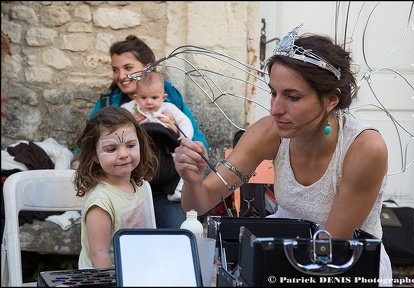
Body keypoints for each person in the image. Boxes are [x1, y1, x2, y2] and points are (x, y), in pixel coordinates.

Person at [173, 24, 392, 284]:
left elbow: (328, 251)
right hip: (280, 260)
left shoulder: (364, 148)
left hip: (346, 267)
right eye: (273, 93)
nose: (275, 108)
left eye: (293, 97)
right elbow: (198, 204)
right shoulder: (270, 132)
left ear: (331, 100)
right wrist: (192, 179)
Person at [85, 35, 208, 228]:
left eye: (128, 68)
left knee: (177, 234)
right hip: (124, 183)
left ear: (148, 67)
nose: (121, 75)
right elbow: (86, 145)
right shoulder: (109, 102)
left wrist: (176, 133)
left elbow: (199, 142)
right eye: (115, 70)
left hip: (165, 187)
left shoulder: (168, 95)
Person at [71, 106, 158, 269]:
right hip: (104, 279)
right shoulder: (101, 202)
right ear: (95, 156)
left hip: (135, 273)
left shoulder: (136, 184)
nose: (124, 154)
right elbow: (99, 256)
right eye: (111, 149)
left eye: (131, 145)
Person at [122, 71, 193, 201]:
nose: (149, 102)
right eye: (143, 98)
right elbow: (118, 118)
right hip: (141, 149)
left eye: (154, 98)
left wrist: (183, 137)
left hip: (166, 148)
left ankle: (177, 190)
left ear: (163, 97)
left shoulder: (168, 108)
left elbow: (185, 122)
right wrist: (130, 122)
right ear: (136, 97)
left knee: (181, 162)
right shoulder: (131, 108)